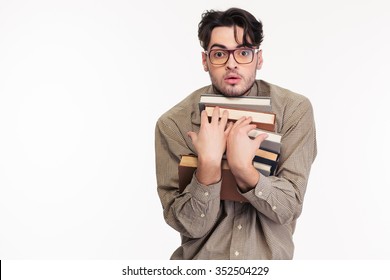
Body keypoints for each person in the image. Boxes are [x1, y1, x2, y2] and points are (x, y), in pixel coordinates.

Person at [155, 7, 317, 260]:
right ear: (205, 61)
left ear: (258, 58)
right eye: (219, 54)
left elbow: (288, 208)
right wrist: (208, 166)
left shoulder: (293, 110)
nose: (231, 63)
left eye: (243, 52)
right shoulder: (174, 124)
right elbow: (188, 225)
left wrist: (243, 168)